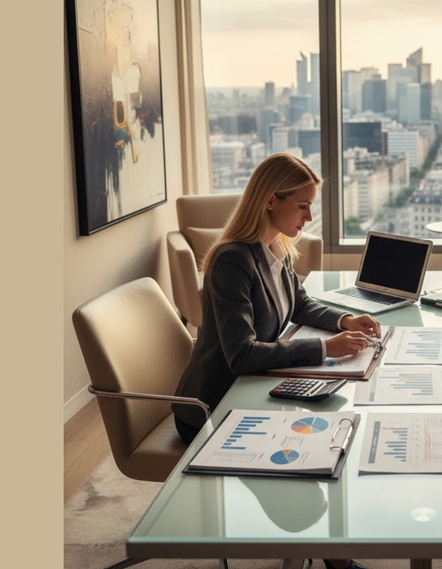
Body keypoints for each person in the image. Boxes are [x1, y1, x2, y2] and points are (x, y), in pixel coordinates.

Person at [172, 153, 375, 569]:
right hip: (213, 405)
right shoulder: (233, 259)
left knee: (333, 433)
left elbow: (298, 304)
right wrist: (324, 348)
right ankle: (333, 558)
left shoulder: (274, 247)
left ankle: (329, 556)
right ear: (270, 200)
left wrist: (343, 319)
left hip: (253, 389)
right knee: (311, 466)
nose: (309, 215)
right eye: (302, 205)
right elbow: (242, 354)